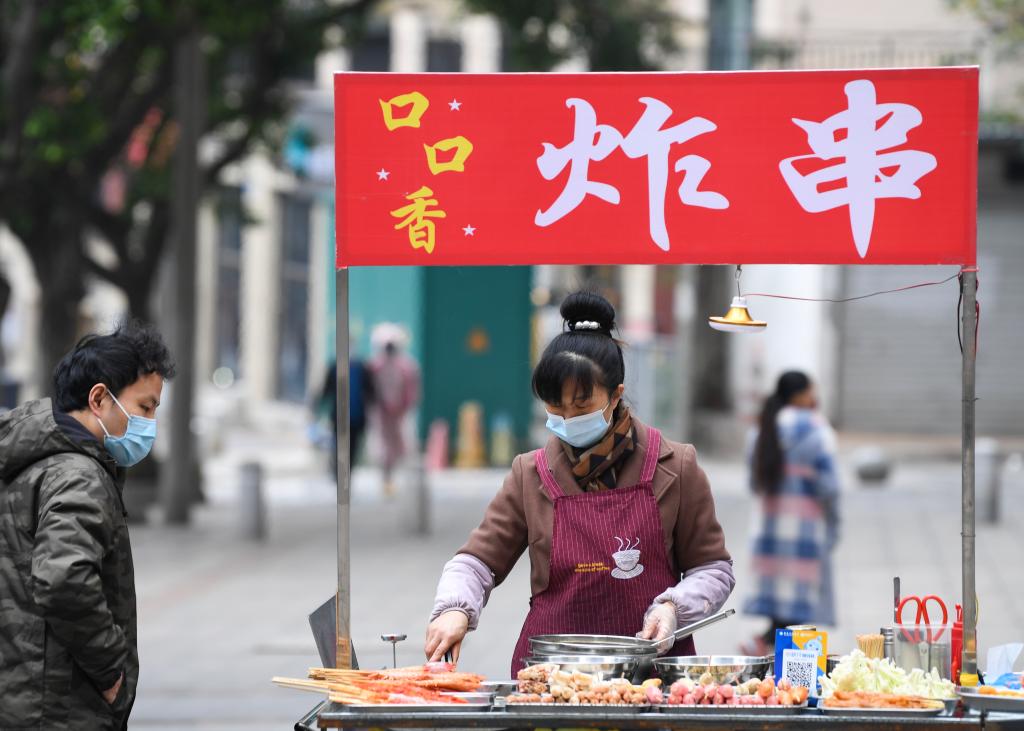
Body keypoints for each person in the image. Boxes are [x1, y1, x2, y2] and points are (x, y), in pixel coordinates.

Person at [424, 292, 734, 675]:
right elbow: (476, 562)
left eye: (582, 406)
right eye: (556, 407)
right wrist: (455, 608)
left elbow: (713, 569)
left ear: (616, 395)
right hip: (551, 678)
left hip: (652, 676)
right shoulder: (530, 473)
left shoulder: (675, 466)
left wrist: (673, 608)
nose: (568, 419)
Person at [0, 321, 175, 730]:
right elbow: (63, 579)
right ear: (99, 399)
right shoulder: (78, 475)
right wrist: (111, 672)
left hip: (24, 696)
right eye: (145, 407)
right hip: (59, 706)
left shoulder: (34, 462)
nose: (150, 423)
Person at [741, 371, 840, 655]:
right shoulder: (818, 429)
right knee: (799, 592)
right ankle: (790, 653)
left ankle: (769, 643)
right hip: (805, 526)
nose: (814, 397)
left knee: (776, 591)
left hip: (769, 525)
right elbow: (830, 486)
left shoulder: (762, 428)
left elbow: (753, 483)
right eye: (810, 391)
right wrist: (834, 524)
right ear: (800, 395)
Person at [368, 325, 420, 497]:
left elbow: (412, 390)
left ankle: (398, 480)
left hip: (398, 414)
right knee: (385, 447)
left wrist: (405, 406)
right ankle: (388, 480)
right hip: (383, 414)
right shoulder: (375, 366)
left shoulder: (405, 367)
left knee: (401, 446)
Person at [316, 356, 375, 473]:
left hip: (356, 417)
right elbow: (327, 389)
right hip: (339, 417)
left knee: (352, 447)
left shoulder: (361, 369)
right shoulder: (335, 367)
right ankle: (339, 470)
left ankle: (347, 471)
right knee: (340, 445)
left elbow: (370, 391)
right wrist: (317, 406)